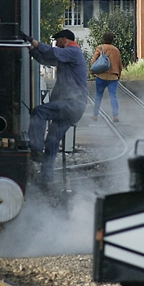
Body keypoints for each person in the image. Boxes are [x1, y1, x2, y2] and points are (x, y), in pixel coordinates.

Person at [28, 30, 88, 184]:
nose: (55, 43)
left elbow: (50, 52)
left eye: (57, 40)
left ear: (64, 39)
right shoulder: (66, 56)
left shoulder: (73, 51)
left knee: (39, 112)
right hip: (74, 106)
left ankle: (36, 149)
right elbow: (45, 59)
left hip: (72, 103)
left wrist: (33, 41)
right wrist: (31, 49)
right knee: (52, 140)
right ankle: (46, 178)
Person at [89, 32, 123, 123]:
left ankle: (95, 115)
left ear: (103, 39)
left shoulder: (100, 48)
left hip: (101, 76)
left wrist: (92, 71)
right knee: (113, 96)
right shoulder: (116, 50)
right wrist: (118, 75)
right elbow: (119, 65)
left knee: (98, 96)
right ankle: (115, 115)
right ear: (112, 40)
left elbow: (94, 60)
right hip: (113, 77)